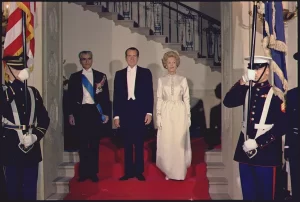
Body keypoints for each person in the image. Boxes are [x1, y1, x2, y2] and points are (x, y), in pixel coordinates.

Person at [223, 56, 286, 200]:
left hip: (266, 153)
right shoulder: (247, 90)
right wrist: (242, 82)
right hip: (245, 151)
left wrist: (259, 142)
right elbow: (228, 102)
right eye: (252, 68)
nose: (255, 72)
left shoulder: (277, 94)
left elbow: (283, 125)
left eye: (258, 68)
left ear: (267, 70)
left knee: (266, 196)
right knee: (248, 195)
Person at [0, 54, 50, 200]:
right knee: (12, 190)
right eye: (16, 68)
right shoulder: (4, 92)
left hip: (31, 149)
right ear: (6, 68)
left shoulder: (33, 92)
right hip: (10, 148)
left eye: (22, 67)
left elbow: (44, 119)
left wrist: (35, 136)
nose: (21, 71)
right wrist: (13, 85)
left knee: (29, 190)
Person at [67, 51, 110, 182]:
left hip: (95, 111)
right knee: (83, 143)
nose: (86, 61)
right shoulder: (74, 77)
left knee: (94, 143)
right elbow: (69, 98)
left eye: (89, 59)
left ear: (92, 60)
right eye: (84, 59)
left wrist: (106, 113)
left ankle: (93, 173)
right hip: (81, 111)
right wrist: (70, 114)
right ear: (80, 61)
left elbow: (105, 97)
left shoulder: (100, 76)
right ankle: (84, 173)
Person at [113, 47, 154, 181]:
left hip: (140, 110)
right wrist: (116, 115)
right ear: (126, 58)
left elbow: (149, 93)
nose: (132, 58)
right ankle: (128, 171)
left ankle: (139, 171)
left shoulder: (146, 73)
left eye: (134, 56)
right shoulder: (119, 74)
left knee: (139, 142)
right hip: (125, 111)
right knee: (127, 143)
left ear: (138, 57)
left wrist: (149, 112)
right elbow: (117, 96)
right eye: (129, 56)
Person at [156, 51, 192, 180]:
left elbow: (186, 99)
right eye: (169, 62)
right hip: (166, 112)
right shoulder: (161, 80)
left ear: (177, 64)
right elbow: (159, 98)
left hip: (179, 112)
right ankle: (169, 171)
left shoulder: (183, 80)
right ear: (165, 64)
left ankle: (179, 172)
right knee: (167, 141)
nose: (171, 65)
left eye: (174, 62)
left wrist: (188, 117)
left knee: (178, 141)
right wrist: (158, 116)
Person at [284, 52, 299, 200]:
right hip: (296, 148)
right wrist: (287, 147)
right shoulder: (293, 95)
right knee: (297, 186)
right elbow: (289, 122)